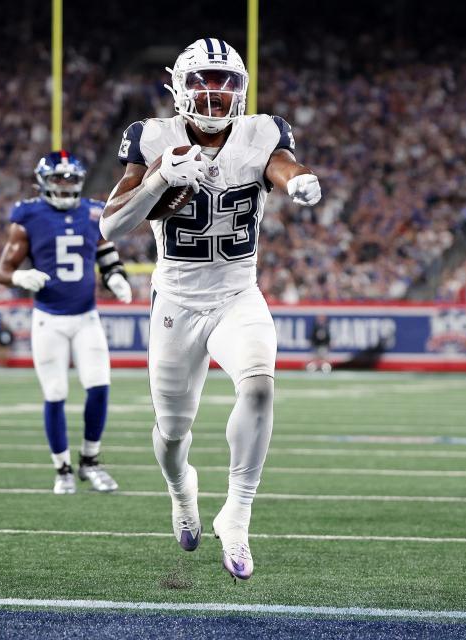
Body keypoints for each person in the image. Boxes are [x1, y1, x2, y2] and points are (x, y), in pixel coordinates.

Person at [99, 38, 321, 580]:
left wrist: (299, 183)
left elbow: (281, 165)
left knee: (260, 384)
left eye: (226, 83)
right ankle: (182, 492)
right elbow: (109, 225)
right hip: (176, 301)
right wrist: (158, 179)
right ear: (179, 87)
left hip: (236, 293)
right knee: (174, 431)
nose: (216, 94)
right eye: (204, 82)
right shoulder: (153, 138)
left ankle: (238, 514)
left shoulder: (262, 131)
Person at [0, 151, 133, 494]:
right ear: (44, 182)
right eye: (58, 178)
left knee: (99, 386)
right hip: (49, 319)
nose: (65, 184)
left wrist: (115, 275)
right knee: (55, 392)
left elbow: (105, 250)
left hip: (86, 317)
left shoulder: (93, 211)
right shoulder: (28, 215)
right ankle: (62, 468)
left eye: (71, 178)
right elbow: (3, 270)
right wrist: (20, 278)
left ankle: (90, 461)